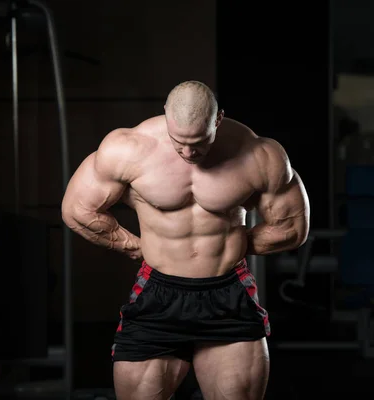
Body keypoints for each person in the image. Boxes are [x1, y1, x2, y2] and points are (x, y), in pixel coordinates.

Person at [61, 80, 310, 399]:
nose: (189, 153)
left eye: (199, 143)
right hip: (159, 293)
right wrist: (135, 246)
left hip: (228, 293)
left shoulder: (259, 154)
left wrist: (231, 246)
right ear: (165, 116)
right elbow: (78, 210)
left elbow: (291, 228)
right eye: (180, 142)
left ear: (218, 120)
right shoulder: (127, 149)